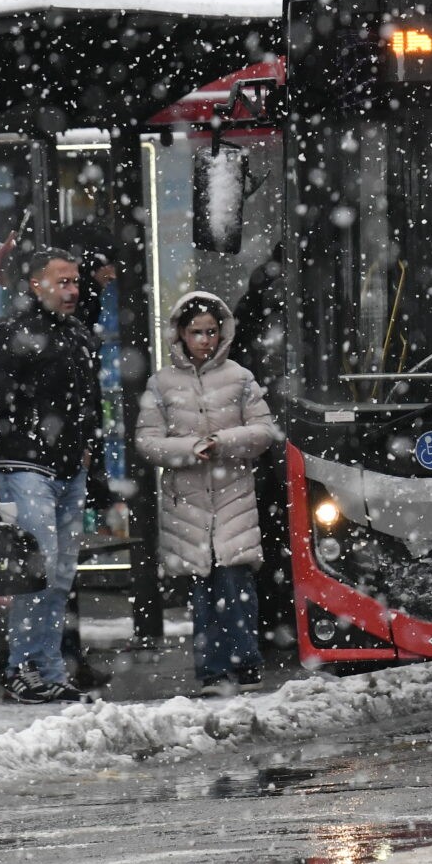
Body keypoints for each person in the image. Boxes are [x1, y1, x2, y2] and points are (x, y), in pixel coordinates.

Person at [0, 248, 103, 703]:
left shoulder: (76, 334)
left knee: (58, 575)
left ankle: (45, 666)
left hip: (61, 465)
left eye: (75, 281)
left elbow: (88, 401)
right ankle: (24, 667)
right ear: (35, 284)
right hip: (27, 464)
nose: (72, 290)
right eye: (62, 282)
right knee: (40, 571)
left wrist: (87, 449)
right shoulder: (13, 334)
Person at [135, 291, 284, 695]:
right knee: (202, 589)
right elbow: (147, 442)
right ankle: (213, 670)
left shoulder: (240, 377)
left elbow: (263, 431)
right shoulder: (161, 384)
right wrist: (189, 449)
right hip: (188, 501)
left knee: (235, 580)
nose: (205, 340)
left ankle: (245, 663)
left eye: (211, 332)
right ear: (181, 334)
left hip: (232, 496)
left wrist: (223, 442)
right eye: (197, 332)